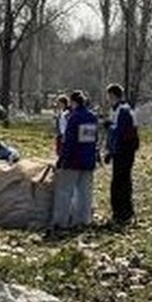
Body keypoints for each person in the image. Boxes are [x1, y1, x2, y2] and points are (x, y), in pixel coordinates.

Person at [51, 90, 98, 230]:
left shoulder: (74, 118)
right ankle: (83, 221)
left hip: (73, 161)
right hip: (88, 160)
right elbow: (95, 139)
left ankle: (61, 222)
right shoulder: (92, 117)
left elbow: (69, 142)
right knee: (85, 193)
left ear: (73, 102)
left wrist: (61, 160)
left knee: (65, 192)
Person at [104, 83, 140, 224]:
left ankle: (121, 213)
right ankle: (125, 211)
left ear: (113, 95)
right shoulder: (120, 109)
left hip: (123, 151)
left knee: (119, 183)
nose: (108, 99)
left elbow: (119, 134)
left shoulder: (123, 111)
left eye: (109, 96)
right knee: (123, 181)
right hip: (124, 150)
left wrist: (111, 152)